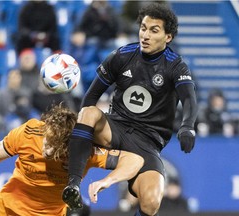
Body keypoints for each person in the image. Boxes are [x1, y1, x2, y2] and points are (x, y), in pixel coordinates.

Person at [62, 3, 198, 216]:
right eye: (143, 28)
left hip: (147, 142)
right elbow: (90, 97)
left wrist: (187, 127)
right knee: (88, 112)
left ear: (168, 37)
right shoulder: (121, 56)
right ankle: (73, 186)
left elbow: (189, 98)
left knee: (151, 203)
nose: (145, 35)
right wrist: (81, 130)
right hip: (115, 128)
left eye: (154, 30)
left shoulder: (176, 66)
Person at [0, 104, 143, 216]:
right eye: (47, 139)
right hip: (4, 209)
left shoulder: (84, 151)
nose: (46, 148)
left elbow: (135, 160)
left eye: (54, 146)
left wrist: (107, 180)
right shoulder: (29, 131)